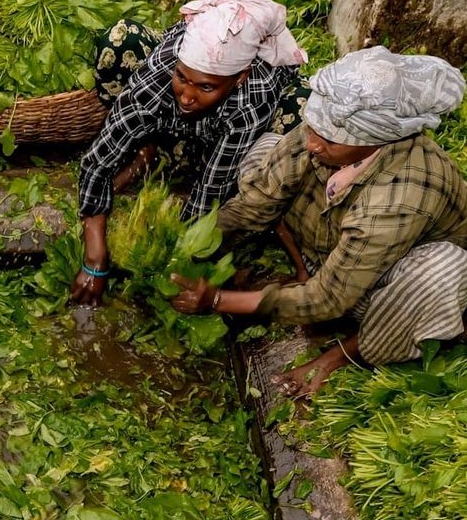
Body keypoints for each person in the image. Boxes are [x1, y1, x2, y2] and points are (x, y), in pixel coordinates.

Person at [169, 46, 467, 396]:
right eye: (313, 128)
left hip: (385, 284)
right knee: (267, 151)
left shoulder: (402, 193)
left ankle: (342, 354)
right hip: (335, 248)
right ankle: (302, 270)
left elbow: (331, 296)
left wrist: (219, 300)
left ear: (373, 141)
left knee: (439, 274)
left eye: (327, 140)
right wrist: (181, 244)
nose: (312, 143)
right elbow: (256, 203)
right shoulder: (323, 135)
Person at [72, 0, 308, 305]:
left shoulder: (253, 96)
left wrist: (172, 258)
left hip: (230, 133)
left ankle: (177, 156)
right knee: (120, 41)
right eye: (182, 78)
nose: (187, 95)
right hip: (182, 122)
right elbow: (97, 161)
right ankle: (150, 147)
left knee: (300, 117)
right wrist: (96, 255)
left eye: (206, 86)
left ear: (238, 78)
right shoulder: (162, 72)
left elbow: (210, 190)